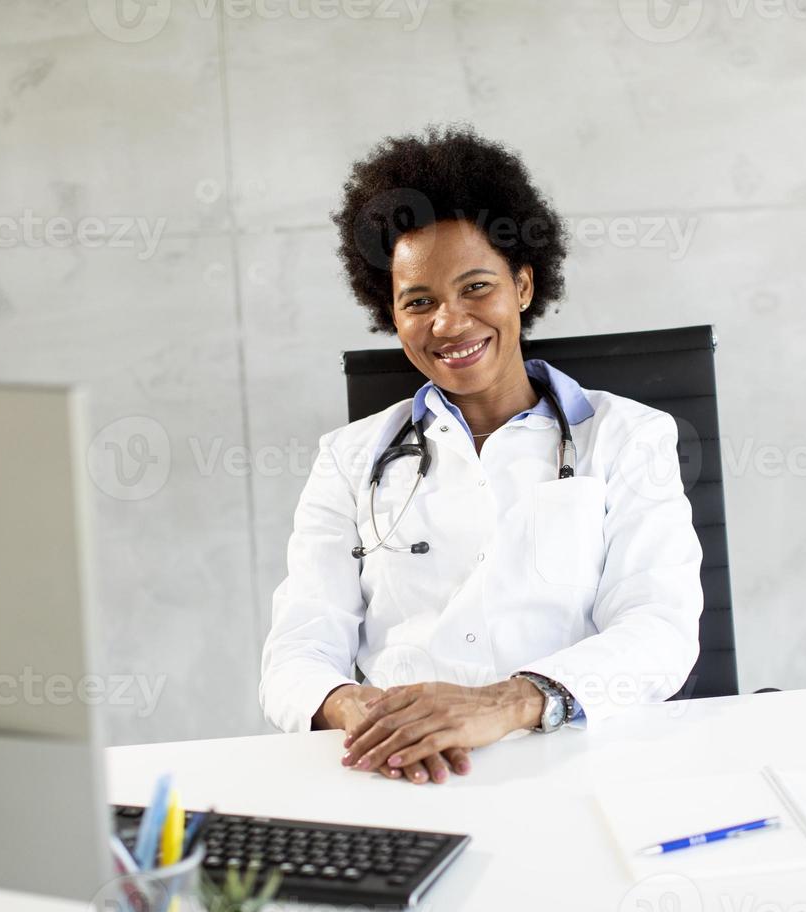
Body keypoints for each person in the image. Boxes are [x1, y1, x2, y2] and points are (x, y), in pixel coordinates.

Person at [258, 124, 702, 785]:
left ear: (522, 287)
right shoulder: (350, 458)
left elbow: (660, 628)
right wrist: (361, 710)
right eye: (419, 302)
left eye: (475, 288)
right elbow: (297, 650)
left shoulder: (628, 438)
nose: (449, 322)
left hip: (577, 763)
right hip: (400, 769)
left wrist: (509, 703)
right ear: (393, 317)